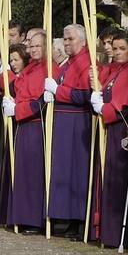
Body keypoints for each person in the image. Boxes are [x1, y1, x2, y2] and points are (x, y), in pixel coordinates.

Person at [91, 30, 128, 251]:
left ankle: (123, 235)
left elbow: (124, 103)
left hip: (122, 126)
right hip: (111, 125)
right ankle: (109, 232)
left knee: (120, 179)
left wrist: (104, 108)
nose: (118, 52)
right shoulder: (118, 69)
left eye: (123, 49)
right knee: (111, 178)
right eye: (116, 48)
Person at [46, 25, 96, 240]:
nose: (66, 43)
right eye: (64, 39)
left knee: (77, 170)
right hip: (65, 120)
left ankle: (78, 219)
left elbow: (85, 95)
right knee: (65, 170)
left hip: (77, 122)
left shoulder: (85, 63)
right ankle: (67, 217)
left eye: (70, 39)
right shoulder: (71, 63)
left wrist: (59, 91)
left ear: (83, 41)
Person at [2, 37, 49, 233]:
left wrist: (18, 109)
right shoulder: (31, 69)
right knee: (22, 172)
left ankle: (32, 218)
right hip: (23, 124)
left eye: (38, 45)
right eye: (31, 45)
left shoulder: (46, 69)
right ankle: (21, 215)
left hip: (35, 125)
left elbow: (38, 102)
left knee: (32, 173)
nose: (33, 49)